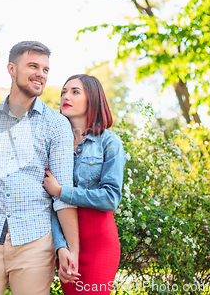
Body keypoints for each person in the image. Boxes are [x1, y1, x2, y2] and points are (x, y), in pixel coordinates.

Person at [0, 41, 80, 295]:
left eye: (46, 69)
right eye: (33, 66)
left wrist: (72, 248)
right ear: (11, 69)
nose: (41, 74)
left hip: (35, 242)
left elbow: (63, 191)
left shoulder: (57, 125)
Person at [43, 74, 126, 294]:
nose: (65, 96)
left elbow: (110, 198)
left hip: (100, 240)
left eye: (74, 91)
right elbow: (50, 203)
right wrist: (61, 247)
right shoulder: (54, 146)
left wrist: (62, 191)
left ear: (93, 98)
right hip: (67, 241)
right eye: (63, 92)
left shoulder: (109, 142)